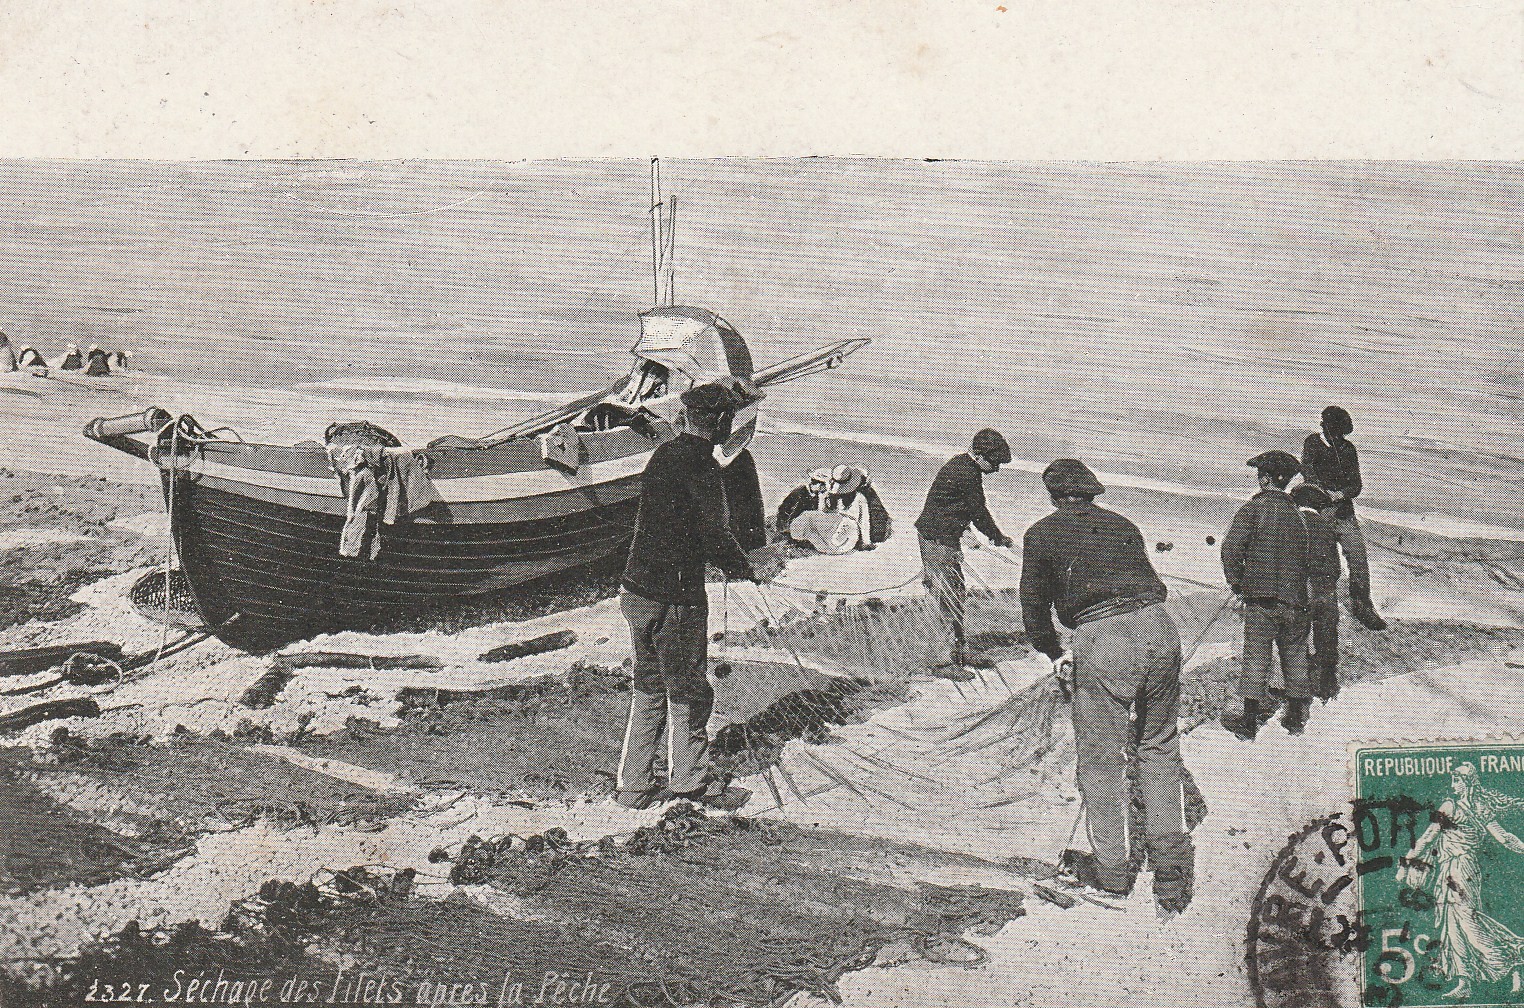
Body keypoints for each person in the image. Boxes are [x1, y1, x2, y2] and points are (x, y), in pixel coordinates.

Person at [1020, 458, 1192, 911]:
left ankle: (1113, 873)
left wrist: (1055, 653)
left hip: (1105, 637)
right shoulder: (1123, 524)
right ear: (1092, 493)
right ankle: (1170, 869)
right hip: (1160, 627)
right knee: (1159, 744)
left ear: (1054, 495)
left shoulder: (1041, 533)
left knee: (1101, 761)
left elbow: (1034, 611)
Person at [616, 382, 761, 812]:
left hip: (636, 590)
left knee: (648, 687)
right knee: (689, 692)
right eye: (729, 419)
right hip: (675, 599)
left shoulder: (662, 455)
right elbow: (714, 534)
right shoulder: (703, 467)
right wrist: (744, 568)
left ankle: (634, 788)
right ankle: (690, 785)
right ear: (719, 422)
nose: (730, 426)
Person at [1398, 763, 1524, 1000]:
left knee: (1468, 922)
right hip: (1450, 870)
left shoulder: (1454, 806)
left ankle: (1512, 959)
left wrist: (1408, 859)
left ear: (1467, 783)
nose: (1452, 785)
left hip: (1461, 869)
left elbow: (1428, 836)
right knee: (1452, 926)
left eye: (1456, 781)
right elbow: (1505, 838)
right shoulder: (1477, 806)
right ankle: (1465, 981)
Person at [1220, 450, 1313, 740]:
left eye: (1260, 474)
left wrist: (1237, 582)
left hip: (1261, 601)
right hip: (1295, 601)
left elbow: (1231, 549)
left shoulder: (1252, 510)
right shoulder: (1298, 517)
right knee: (1295, 656)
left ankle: (1249, 724)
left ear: (1265, 479)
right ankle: (1296, 719)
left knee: (1256, 658)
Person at [915, 429, 1015, 678]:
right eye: (995, 462)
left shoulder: (963, 466)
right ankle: (941, 662)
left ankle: (958, 653)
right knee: (945, 599)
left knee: (956, 594)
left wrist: (965, 529)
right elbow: (978, 510)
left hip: (944, 538)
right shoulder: (966, 473)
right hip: (938, 542)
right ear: (979, 455)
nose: (997, 468)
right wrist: (996, 536)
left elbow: (954, 506)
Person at [1301, 406, 1387, 630]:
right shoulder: (1312, 444)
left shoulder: (1349, 449)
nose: (1336, 436)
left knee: (1358, 557)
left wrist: (1341, 494)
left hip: (1345, 514)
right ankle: (1315, 609)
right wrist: (1324, 494)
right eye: (1333, 430)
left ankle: (1363, 608)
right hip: (1321, 513)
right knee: (1323, 562)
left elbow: (1356, 484)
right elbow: (1308, 474)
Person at [1290, 483, 1342, 702]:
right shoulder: (1326, 528)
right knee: (1327, 638)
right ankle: (1327, 686)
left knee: (1296, 640)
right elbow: (1336, 567)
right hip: (1325, 591)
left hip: (1300, 591)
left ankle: (1299, 692)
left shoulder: (1290, 524)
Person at [776, 468, 829, 538]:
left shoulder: (817, 496)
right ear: (819, 484)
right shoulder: (799, 493)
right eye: (825, 485)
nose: (826, 488)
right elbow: (783, 511)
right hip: (791, 530)